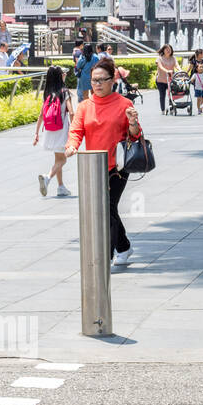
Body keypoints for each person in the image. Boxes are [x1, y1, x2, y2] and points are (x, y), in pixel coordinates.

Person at [65, 57, 144, 268]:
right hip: (94, 166)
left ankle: (105, 257)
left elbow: (135, 136)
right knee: (108, 210)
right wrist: (72, 146)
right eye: (94, 80)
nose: (97, 84)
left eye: (102, 80)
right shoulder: (84, 106)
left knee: (107, 208)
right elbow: (76, 130)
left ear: (112, 81)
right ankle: (124, 247)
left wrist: (134, 122)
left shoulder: (124, 104)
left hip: (117, 167)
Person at [33, 65, 74, 197]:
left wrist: (36, 133)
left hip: (50, 129)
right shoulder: (65, 91)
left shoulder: (47, 93)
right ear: (59, 76)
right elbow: (72, 112)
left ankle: (61, 187)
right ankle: (47, 177)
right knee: (63, 160)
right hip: (62, 128)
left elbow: (41, 115)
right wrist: (74, 129)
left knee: (58, 158)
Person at [156, 44, 177, 113]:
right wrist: (167, 71)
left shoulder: (173, 58)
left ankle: (171, 108)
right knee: (162, 95)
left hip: (170, 80)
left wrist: (181, 70)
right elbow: (160, 66)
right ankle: (163, 109)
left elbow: (177, 65)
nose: (168, 51)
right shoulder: (159, 58)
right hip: (160, 80)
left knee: (171, 94)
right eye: (166, 49)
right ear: (163, 50)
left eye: (169, 49)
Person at [188, 49, 203, 114]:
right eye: (202, 53)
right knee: (199, 96)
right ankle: (199, 108)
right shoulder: (193, 61)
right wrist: (185, 75)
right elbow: (189, 69)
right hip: (196, 80)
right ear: (199, 54)